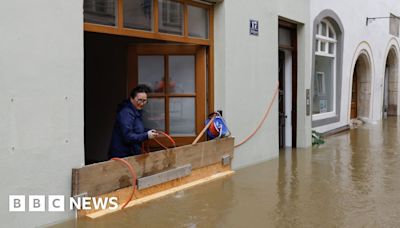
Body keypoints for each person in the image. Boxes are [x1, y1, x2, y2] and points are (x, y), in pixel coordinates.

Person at [108, 85, 158, 158]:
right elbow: (127, 137)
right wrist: (146, 135)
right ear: (131, 98)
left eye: (144, 101)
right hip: (122, 155)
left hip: (131, 153)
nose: (142, 103)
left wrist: (149, 131)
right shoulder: (126, 113)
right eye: (139, 100)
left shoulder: (136, 111)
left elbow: (137, 129)